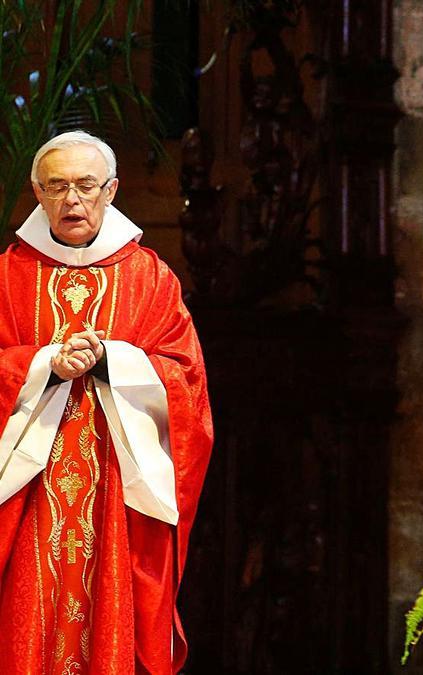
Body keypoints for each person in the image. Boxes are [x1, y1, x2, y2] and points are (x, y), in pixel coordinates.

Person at [0, 131, 212, 673]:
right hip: (30, 494)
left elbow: (186, 380)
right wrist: (44, 365)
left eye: (85, 186)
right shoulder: (7, 276)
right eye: (57, 186)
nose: (72, 200)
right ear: (37, 193)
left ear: (111, 191)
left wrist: (112, 362)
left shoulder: (149, 277)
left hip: (113, 494)